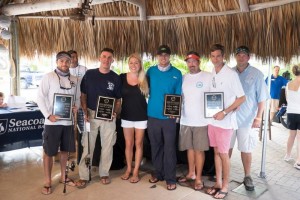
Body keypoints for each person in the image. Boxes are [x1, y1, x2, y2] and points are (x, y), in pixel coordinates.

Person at [76, 48, 121, 188]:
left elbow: (118, 100)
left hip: (108, 117)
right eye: (104, 56)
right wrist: (84, 111)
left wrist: (114, 113)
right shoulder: (89, 74)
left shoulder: (116, 77)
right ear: (99, 58)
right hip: (91, 115)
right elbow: (83, 95)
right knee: (87, 146)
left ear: (112, 60)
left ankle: (104, 173)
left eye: (109, 57)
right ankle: (83, 175)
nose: (106, 59)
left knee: (108, 146)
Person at [37, 51, 80, 195]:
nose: (64, 63)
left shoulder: (75, 79)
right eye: (61, 61)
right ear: (57, 62)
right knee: (49, 152)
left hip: (68, 123)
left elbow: (78, 98)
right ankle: (48, 181)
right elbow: (40, 98)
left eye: (67, 61)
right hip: (52, 123)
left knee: (65, 152)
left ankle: (63, 176)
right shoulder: (48, 77)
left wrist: (76, 107)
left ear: (70, 62)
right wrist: (48, 116)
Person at [206, 44, 245, 199]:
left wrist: (224, 112)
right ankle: (218, 182)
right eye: (213, 56)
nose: (215, 59)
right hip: (213, 121)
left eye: (218, 56)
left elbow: (242, 97)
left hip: (225, 122)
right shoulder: (212, 72)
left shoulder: (231, 74)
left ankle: (225, 186)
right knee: (216, 152)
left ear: (223, 57)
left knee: (223, 154)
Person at [229, 46, 269, 191]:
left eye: (244, 55)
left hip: (247, 119)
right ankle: (224, 175)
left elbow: (262, 98)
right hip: (229, 119)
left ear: (248, 57)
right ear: (235, 56)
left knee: (246, 149)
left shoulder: (257, 74)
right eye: (238, 55)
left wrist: (258, 118)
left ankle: (247, 176)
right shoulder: (230, 72)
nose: (241, 58)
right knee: (226, 148)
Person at [146, 45, 182, 191]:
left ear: (170, 56)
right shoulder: (150, 71)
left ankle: (170, 178)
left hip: (169, 118)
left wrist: (176, 111)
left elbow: (178, 95)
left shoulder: (177, 73)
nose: (163, 57)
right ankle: (159, 173)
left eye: (166, 55)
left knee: (169, 149)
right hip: (152, 115)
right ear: (157, 57)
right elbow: (143, 89)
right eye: (160, 55)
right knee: (155, 146)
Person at [178, 51, 212, 190]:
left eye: (194, 61)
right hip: (185, 120)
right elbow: (179, 98)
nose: (191, 64)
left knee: (199, 150)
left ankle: (198, 178)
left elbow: (215, 96)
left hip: (201, 121)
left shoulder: (208, 77)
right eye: (189, 62)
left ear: (199, 62)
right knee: (190, 149)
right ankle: (191, 173)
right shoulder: (183, 78)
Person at [119, 53, 148, 183]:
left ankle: (136, 171)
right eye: (131, 62)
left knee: (138, 144)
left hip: (141, 116)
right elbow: (114, 96)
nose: (133, 65)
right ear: (128, 64)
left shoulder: (146, 78)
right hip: (126, 116)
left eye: (136, 62)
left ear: (140, 64)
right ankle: (128, 169)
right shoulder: (121, 77)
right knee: (128, 144)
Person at [67, 50, 88, 162]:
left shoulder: (84, 69)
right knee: (69, 129)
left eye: (75, 57)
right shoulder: (65, 70)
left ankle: (82, 153)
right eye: (71, 57)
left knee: (81, 129)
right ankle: (69, 152)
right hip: (68, 104)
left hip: (81, 103)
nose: (74, 59)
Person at [284, 65, 300, 169]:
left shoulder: (288, 84)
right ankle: (298, 161)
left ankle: (288, 155)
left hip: (290, 112)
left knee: (291, 135)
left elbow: (287, 99)